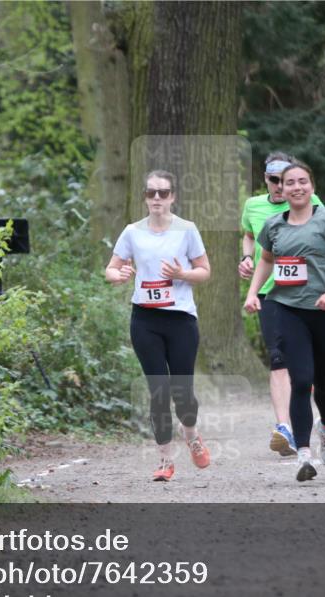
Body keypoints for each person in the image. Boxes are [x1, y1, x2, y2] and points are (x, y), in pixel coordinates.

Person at [244, 161, 325, 482]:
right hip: (287, 308)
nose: (296, 187)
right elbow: (265, 261)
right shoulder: (273, 225)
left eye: (302, 182)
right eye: (289, 183)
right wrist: (254, 293)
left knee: (322, 382)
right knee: (301, 380)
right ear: (280, 188)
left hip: (324, 312)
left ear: (311, 186)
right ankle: (303, 456)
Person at [105, 170, 212, 482]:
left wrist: (183, 275)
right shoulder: (132, 232)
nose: (156, 198)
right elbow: (111, 268)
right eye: (150, 193)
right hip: (145, 320)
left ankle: (190, 432)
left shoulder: (187, 230)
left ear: (173, 197)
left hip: (181, 319)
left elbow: (205, 270)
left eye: (162, 193)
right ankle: (165, 460)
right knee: (158, 390)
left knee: (183, 393)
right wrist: (118, 276)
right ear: (144, 197)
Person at [239, 152, 324, 458]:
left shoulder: (312, 204)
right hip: (270, 294)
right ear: (265, 179)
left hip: (306, 294)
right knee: (278, 358)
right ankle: (283, 427)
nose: (278, 186)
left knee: (306, 366)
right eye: (272, 180)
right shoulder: (253, 206)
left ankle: (308, 413)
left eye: (283, 180)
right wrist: (246, 257)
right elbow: (249, 236)